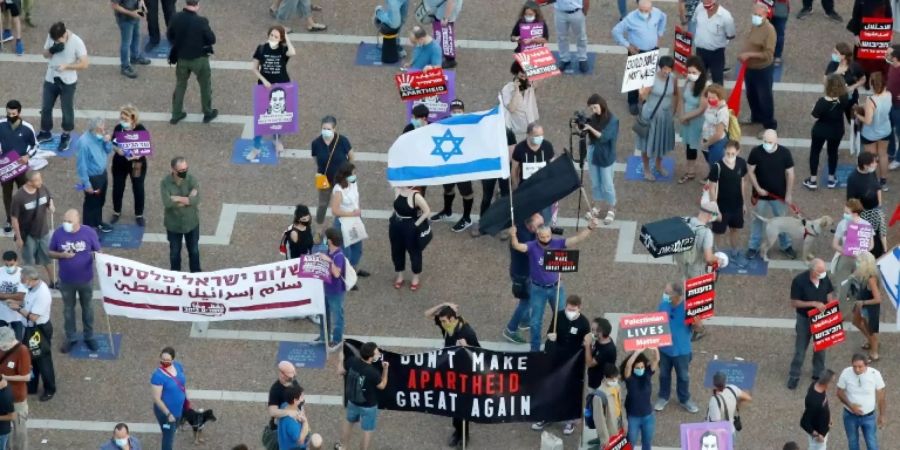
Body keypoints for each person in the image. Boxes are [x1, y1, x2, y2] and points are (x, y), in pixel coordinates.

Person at [509, 218, 598, 351]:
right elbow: (518, 246)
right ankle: (535, 350)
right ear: (537, 235)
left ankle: (560, 344)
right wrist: (513, 235)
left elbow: (577, 239)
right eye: (543, 236)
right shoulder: (532, 246)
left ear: (551, 234)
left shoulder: (558, 243)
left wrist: (590, 227)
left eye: (548, 236)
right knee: (535, 322)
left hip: (556, 287)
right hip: (537, 288)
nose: (546, 239)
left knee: (562, 318)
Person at [424, 303, 480, 446]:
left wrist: (467, 347)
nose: (442, 324)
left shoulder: (467, 333)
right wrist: (444, 304)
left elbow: (480, 354)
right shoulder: (447, 326)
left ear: (453, 319)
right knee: (453, 404)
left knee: (462, 405)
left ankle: (464, 435)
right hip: (451, 372)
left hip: (465, 374)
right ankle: (457, 431)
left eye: (444, 321)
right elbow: (427, 314)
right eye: (441, 321)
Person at [532, 295, 589, 435]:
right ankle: (546, 416)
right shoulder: (559, 316)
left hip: (573, 363)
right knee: (550, 388)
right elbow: (551, 332)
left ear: (579, 308)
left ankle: (569, 420)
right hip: (556, 359)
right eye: (568, 309)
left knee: (570, 391)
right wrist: (552, 338)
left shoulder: (584, 323)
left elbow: (585, 343)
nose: (569, 312)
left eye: (573, 309)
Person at [48, 209, 100, 354]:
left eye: (69, 221)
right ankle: (71, 337)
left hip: (85, 279)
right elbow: (50, 252)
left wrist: (100, 260)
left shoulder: (89, 232)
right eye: (65, 220)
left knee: (87, 309)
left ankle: (89, 336)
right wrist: (61, 255)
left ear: (78, 221)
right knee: (68, 310)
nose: (66, 224)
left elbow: (98, 252)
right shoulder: (58, 233)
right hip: (66, 280)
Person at [36, 21, 89, 153]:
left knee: (67, 109)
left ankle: (66, 135)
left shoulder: (77, 42)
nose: (56, 41)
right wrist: (52, 50)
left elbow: (84, 64)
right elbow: (44, 54)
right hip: (51, 78)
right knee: (46, 107)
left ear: (64, 34)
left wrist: (67, 66)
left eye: (58, 39)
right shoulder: (52, 36)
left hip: (68, 82)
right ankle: (45, 131)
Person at [746, 129, 796, 260]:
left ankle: (786, 245)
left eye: (770, 142)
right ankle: (753, 246)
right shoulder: (756, 152)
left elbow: (790, 174)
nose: (767, 144)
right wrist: (757, 188)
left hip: (778, 195)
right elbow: (750, 171)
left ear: (776, 141)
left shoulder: (785, 153)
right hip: (760, 195)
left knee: (782, 221)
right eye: (765, 141)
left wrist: (788, 194)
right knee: (757, 220)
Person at [612, 0, 667, 116]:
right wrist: (627, 45)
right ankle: (632, 102)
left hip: (652, 50)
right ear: (638, 7)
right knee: (634, 79)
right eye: (641, 10)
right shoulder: (630, 18)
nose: (644, 13)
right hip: (637, 51)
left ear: (651, 8)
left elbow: (663, 18)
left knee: (649, 77)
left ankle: (646, 98)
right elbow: (616, 31)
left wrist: (659, 35)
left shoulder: (657, 13)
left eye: (646, 11)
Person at [167, 0, 217, 125]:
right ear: (197, 5)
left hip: (182, 58)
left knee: (180, 85)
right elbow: (211, 39)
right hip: (199, 59)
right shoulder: (201, 21)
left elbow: (169, 35)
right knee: (205, 85)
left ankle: (176, 113)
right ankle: (207, 112)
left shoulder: (176, 17)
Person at [787, 258, 835, 390]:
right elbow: (794, 302)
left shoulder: (824, 278)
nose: (823, 273)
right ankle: (794, 375)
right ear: (812, 271)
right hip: (804, 318)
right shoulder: (799, 281)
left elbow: (829, 292)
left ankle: (818, 372)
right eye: (820, 271)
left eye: (824, 270)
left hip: (821, 317)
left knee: (821, 348)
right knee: (800, 349)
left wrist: (830, 306)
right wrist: (813, 304)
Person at [429, 99, 476, 232]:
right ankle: (447, 210)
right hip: (448, 162)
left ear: (463, 111)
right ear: (450, 111)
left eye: (459, 111)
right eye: (454, 111)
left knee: (466, 192)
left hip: (463, 165)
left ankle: (467, 218)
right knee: (448, 188)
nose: (456, 113)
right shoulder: (444, 122)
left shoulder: (470, 124)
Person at [250, 26, 296, 159]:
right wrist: (264, 80)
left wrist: (286, 36)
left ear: (280, 39)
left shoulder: (283, 49)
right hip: (264, 87)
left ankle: (277, 140)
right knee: (261, 118)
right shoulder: (261, 48)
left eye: (276, 36)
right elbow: (254, 68)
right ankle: (256, 147)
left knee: (278, 116)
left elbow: (292, 52)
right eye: (271, 35)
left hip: (281, 86)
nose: (273, 38)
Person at [654, 282, 699, 413]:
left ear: (677, 295)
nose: (665, 295)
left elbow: (699, 328)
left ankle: (684, 399)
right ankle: (663, 396)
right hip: (664, 349)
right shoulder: (663, 305)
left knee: (683, 377)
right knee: (663, 375)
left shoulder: (688, 308)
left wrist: (697, 324)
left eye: (667, 293)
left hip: (681, 351)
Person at [337, 341, 388, 450]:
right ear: (370, 357)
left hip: (352, 400)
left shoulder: (351, 361)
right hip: (369, 405)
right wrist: (385, 369)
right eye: (377, 352)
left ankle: (343, 447)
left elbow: (340, 371)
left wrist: (341, 359)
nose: (378, 353)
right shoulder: (373, 372)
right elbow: (382, 385)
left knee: (349, 422)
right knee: (367, 430)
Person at [10, 171, 56, 287]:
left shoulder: (42, 188)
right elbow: (14, 219)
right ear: (29, 182)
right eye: (37, 180)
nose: (41, 181)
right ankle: (31, 284)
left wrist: (51, 205)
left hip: (43, 232)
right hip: (28, 235)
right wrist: (19, 238)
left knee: (47, 258)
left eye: (40, 178)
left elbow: (49, 198)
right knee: (29, 263)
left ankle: (53, 281)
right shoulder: (19, 197)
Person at [15, 266, 54, 402]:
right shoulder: (32, 287)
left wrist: (17, 308)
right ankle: (32, 385)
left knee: (43, 359)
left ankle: (50, 388)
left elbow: (33, 317)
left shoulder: (42, 293)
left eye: (23, 279)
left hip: (38, 330)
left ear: (31, 279)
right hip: (30, 329)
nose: (21, 281)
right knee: (31, 358)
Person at [635, 56, 678, 181]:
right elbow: (643, 98)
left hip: (665, 116)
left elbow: (676, 94)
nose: (666, 72)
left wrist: (674, 111)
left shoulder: (673, 78)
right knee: (646, 143)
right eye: (665, 69)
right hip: (651, 115)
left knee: (661, 142)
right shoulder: (651, 79)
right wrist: (641, 94)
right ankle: (647, 169)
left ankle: (659, 165)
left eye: (669, 69)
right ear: (660, 67)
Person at [501, 212, 542, 344]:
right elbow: (535, 251)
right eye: (539, 225)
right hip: (523, 275)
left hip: (521, 271)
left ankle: (524, 321)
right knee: (526, 302)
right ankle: (511, 329)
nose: (542, 227)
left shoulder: (523, 228)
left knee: (525, 300)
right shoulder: (523, 237)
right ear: (530, 226)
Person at [803, 75, 849, 190]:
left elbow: (814, 117)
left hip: (820, 131)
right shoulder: (844, 98)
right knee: (833, 153)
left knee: (815, 152)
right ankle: (831, 179)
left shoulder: (822, 102)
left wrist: (813, 107)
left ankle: (813, 180)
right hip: (836, 130)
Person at [739, 3, 777, 133]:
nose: (756, 17)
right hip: (749, 68)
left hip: (762, 70)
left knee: (764, 97)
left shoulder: (769, 30)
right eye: (754, 14)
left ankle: (769, 126)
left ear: (766, 15)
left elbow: (768, 54)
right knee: (752, 95)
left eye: (759, 15)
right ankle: (756, 117)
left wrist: (749, 54)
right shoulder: (755, 25)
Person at [0, 100, 37, 233]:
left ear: (19, 112)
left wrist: (28, 156)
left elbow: (35, 145)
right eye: (8, 113)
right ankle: (10, 219)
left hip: (21, 166)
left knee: (24, 192)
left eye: (13, 113)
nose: (10, 116)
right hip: (5, 166)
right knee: (7, 194)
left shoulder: (27, 127)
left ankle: (25, 217)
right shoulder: (1, 125)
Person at [582, 94, 619, 225]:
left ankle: (612, 207)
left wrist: (590, 127)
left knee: (607, 184)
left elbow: (603, 137)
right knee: (596, 182)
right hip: (593, 151)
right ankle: (597, 206)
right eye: (591, 108)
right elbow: (586, 133)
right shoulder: (593, 118)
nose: (594, 111)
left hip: (606, 154)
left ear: (601, 105)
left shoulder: (613, 120)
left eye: (595, 107)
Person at [837, 353, 886, 450]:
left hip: (869, 416)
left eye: (860, 367)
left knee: (872, 443)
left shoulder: (875, 374)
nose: (857, 369)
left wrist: (882, 415)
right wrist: (851, 407)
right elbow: (839, 392)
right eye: (854, 366)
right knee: (853, 442)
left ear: (866, 365)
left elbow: (881, 396)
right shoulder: (846, 373)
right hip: (850, 415)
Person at [311, 116, 353, 225]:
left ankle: (342, 226)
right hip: (324, 179)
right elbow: (316, 159)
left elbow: (351, 157)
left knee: (341, 204)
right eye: (324, 128)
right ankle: (319, 229)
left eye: (328, 129)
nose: (326, 131)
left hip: (340, 179)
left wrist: (348, 172)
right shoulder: (316, 143)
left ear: (334, 129)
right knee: (322, 205)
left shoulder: (343, 141)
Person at [161, 157, 201, 272]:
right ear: (173, 170)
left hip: (191, 222)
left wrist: (178, 198)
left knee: (194, 251)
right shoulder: (165, 183)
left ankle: (196, 275)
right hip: (173, 224)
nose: (184, 172)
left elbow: (196, 200)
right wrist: (188, 200)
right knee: (174, 253)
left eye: (186, 169)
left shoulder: (192, 180)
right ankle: (175, 277)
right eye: (181, 170)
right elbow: (167, 202)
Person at [110, 105, 148, 226]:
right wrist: (117, 150)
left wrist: (137, 154)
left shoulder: (141, 129)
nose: (123, 122)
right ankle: (116, 211)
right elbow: (113, 143)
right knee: (118, 187)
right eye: (121, 118)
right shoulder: (118, 128)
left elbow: (145, 147)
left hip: (137, 163)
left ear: (133, 119)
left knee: (138, 187)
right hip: (120, 162)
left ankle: (139, 214)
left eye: (125, 119)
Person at [330, 163, 369, 279]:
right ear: (346, 175)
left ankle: (353, 270)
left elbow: (355, 198)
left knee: (357, 248)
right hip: (343, 223)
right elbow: (335, 211)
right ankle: (346, 276)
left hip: (355, 219)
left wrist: (356, 210)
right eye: (353, 173)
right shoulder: (338, 190)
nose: (355, 175)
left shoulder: (353, 183)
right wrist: (352, 213)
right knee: (345, 251)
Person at [75, 117, 114, 233]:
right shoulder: (84, 143)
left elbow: (108, 151)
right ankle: (88, 228)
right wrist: (86, 184)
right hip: (92, 178)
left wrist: (107, 142)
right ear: (93, 130)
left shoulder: (101, 137)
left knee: (100, 201)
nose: (103, 132)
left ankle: (98, 222)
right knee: (91, 203)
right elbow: (81, 166)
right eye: (100, 130)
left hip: (102, 174)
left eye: (104, 129)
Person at [708, 141, 748, 251]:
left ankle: (734, 251)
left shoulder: (741, 163)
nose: (730, 156)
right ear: (724, 151)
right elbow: (712, 189)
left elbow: (742, 183)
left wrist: (744, 203)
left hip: (737, 206)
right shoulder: (717, 167)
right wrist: (715, 210)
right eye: (728, 153)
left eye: (732, 154)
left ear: (738, 152)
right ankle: (717, 254)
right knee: (718, 233)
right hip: (721, 207)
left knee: (735, 230)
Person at [855, 71, 892, 190]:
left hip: (871, 133)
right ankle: (883, 182)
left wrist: (857, 114)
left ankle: (872, 182)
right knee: (883, 155)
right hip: (885, 130)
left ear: (872, 85)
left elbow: (868, 121)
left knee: (870, 158)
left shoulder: (871, 100)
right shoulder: (888, 94)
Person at [388, 186, 430, 291]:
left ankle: (415, 278)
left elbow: (427, 211)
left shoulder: (416, 195)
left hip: (410, 227)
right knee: (396, 251)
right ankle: (400, 275)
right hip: (396, 225)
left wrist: (415, 224)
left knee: (414, 252)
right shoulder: (397, 189)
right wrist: (392, 217)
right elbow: (395, 206)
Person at [846, 152, 887, 257]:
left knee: (880, 234)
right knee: (869, 241)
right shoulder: (853, 179)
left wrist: (880, 206)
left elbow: (877, 187)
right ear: (865, 166)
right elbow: (851, 202)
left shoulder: (871, 171)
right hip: (865, 213)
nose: (876, 164)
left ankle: (880, 253)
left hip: (875, 209)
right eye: (873, 163)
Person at [845, 252, 882, 363]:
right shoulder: (864, 273)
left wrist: (863, 302)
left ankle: (874, 352)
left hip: (868, 307)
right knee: (856, 322)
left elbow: (878, 299)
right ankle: (871, 341)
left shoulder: (871, 279)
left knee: (870, 330)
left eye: (859, 262)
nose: (856, 263)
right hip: (861, 304)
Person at [830, 198, 874, 293]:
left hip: (860, 260)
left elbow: (871, 245)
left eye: (846, 212)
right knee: (841, 285)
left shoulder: (866, 225)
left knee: (860, 284)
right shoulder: (842, 224)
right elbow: (835, 244)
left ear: (855, 213)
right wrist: (846, 251)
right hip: (845, 257)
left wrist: (861, 252)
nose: (844, 214)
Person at [678, 57, 709, 183]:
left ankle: (713, 171)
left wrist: (685, 117)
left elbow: (702, 108)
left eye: (694, 72)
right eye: (689, 72)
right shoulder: (688, 81)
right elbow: (682, 98)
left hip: (697, 122)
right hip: (687, 120)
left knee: (704, 148)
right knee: (689, 146)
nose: (691, 75)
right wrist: (681, 115)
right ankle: (690, 171)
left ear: (701, 71)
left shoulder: (706, 87)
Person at [621, 348, 659, 450]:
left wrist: (655, 348)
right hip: (633, 417)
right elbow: (628, 365)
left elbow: (656, 359)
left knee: (647, 443)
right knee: (630, 443)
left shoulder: (647, 375)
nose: (640, 369)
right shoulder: (630, 378)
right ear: (633, 368)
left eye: (642, 367)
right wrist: (637, 352)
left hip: (648, 416)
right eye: (638, 367)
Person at [317, 228, 347, 352]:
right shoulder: (329, 251)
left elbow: (336, 274)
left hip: (335, 291)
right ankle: (324, 336)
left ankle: (337, 339)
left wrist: (328, 260)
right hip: (325, 288)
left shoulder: (339, 256)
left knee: (337, 315)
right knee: (323, 313)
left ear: (329, 241)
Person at [151, 347, 186, 450]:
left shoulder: (178, 366)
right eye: (163, 359)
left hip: (179, 409)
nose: (165, 362)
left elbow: (182, 384)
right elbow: (157, 399)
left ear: (173, 360)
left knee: (174, 428)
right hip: (166, 412)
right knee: (168, 437)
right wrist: (168, 414)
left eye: (167, 360)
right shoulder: (157, 376)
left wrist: (185, 399)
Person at [0, 326, 30, 450]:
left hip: (17, 397)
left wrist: (5, 377)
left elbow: (26, 377)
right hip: (4, 395)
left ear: (11, 341)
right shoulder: (3, 345)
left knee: (19, 431)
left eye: (4, 346)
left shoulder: (22, 351)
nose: (1, 348)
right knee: (6, 429)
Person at [692, 0, 734, 85]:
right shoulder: (699, 8)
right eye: (704, 2)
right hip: (700, 52)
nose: (705, 4)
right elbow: (694, 21)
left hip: (716, 54)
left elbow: (731, 35)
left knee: (717, 82)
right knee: (698, 80)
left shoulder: (726, 16)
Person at [847, 0, 892, 77]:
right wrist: (856, 35)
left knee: (878, 60)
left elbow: (888, 17)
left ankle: (876, 80)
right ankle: (863, 79)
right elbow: (856, 17)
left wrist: (889, 35)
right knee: (862, 60)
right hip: (864, 34)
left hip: (880, 35)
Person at [674, 202, 717, 282]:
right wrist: (718, 259)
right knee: (695, 288)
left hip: (682, 261)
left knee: (684, 280)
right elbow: (708, 258)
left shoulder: (685, 220)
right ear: (710, 215)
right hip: (696, 268)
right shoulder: (707, 233)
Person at [707, 371, 752, 444]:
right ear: (725, 381)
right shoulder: (732, 388)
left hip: (721, 436)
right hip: (731, 430)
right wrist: (738, 404)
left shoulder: (714, 401)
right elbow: (748, 398)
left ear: (714, 383)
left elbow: (716, 426)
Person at [825, 42, 866, 122]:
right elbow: (825, 81)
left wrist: (853, 87)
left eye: (836, 53)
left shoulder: (854, 66)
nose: (833, 54)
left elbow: (863, 79)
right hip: (835, 99)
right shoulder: (832, 64)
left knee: (853, 120)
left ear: (843, 56)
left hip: (851, 100)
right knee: (835, 121)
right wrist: (836, 72)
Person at [588, 363, 626, 447]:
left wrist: (624, 423)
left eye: (616, 378)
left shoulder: (617, 387)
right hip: (610, 427)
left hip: (619, 423)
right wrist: (604, 438)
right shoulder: (599, 395)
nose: (615, 381)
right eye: (612, 379)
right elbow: (599, 420)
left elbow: (620, 405)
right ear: (605, 378)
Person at [110, 0, 151, 79]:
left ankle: (135, 57)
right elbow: (114, 5)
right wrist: (131, 13)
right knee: (126, 42)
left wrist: (141, 3)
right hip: (125, 19)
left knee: (136, 36)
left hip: (135, 15)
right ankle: (125, 66)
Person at [501, 62, 540, 140]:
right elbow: (511, 108)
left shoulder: (530, 85)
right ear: (516, 73)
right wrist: (516, 91)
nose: (524, 77)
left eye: (526, 74)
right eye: (522, 74)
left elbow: (536, 84)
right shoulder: (507, 89)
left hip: (531, 128)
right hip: (517, 131)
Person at [511, 122, 554, 191]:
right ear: (528, 135)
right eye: (537, 136)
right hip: (526, 188)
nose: (540, 138)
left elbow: (553, 165)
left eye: (541, 135)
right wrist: (515, 185)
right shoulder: (519, 148)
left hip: (544, 186)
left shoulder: (547, 146)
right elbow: (514, 169)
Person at [277, 385, 323, 450]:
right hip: (295, 448)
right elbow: (301, 441)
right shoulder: (291, 423)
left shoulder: (285, 405)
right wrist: (305, 422)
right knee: (316, 440)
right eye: (301, 397)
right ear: (295, 400)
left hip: (285, 445)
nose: (303, 398)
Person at [698, 83, 728, 180]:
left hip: (716, 142)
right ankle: (712, 175)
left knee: (715, 162)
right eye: (709, 97)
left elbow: (718, 134)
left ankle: (715, 181)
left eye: (713, 97)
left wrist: (706, 144)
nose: (711, 100)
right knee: (710, 161)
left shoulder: (722, 111)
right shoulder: (710, 105)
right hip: (706, 138)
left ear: (720, 97)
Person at [801, 369, 834, 450]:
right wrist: (817, 435)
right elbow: (804, 422)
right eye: (832, 382)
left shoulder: (817, 385)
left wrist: (829, 417)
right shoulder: (814, 402)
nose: (833, 384)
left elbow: (825, 403)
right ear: (826, 383)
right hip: (818, 436)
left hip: (823, 430)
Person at [553, 0, 589, 73]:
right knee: (561, 37)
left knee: (581, 36)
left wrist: (585, 11)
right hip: (560, 12)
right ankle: (564, 59)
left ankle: (582, 58)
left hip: (576, 11)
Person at [424, 0, 462, 69]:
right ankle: (440, 53)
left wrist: (446, 17)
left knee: (445, 34)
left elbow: (451, 1)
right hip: (441, 8)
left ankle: (450, 59)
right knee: (440, 32)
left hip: (445, 11)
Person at [267, 361, 302, 434]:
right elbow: (272, 411)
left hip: (294, 422)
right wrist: (289, 412)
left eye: (292, 377)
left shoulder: (293, 382)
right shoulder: (275, 390)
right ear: (282, 374)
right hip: (279, 428)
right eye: (289, 378)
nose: (291, 379)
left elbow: (300, 400)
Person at [585, 317, 617, 392]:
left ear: (600, 333)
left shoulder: (607, 349)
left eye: (593, 330)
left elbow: (590, 363)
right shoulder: (601, 340)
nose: (591, 332)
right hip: (594, 382)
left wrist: (587, 345)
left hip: (599, 387)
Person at [0, 252, 26, 341]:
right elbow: (18, 295)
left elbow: (21, 296)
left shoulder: (22, 274)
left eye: (11, 264)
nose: (8, 267)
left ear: (16, 262)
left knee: (18, 342)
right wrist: (14, 296)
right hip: (1, 315)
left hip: (17, 316)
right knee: (2, 343)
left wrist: (2, 295)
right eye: (6, 264)